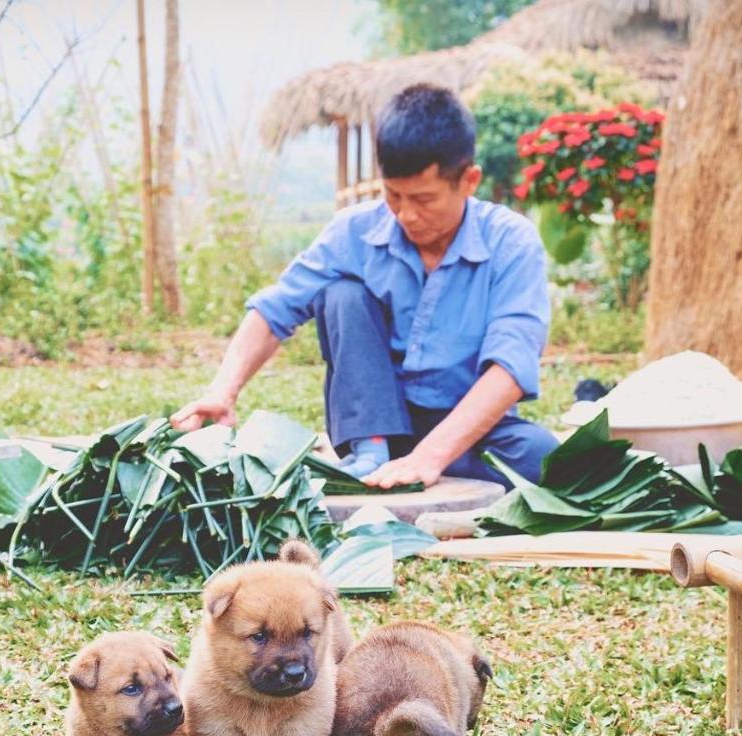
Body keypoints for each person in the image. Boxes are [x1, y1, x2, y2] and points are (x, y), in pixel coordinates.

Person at [171, 84, 558, 490]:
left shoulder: (511, 242)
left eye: (424, 199)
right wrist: (222, 390)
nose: (407, 214)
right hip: (378, 423)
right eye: (393, 195)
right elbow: (275, 311)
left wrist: (429, 457)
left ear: (469, 181)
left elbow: (511, 367)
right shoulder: (353, 230)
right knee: (341, 294)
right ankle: (371, 454)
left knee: (547, 461)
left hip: (467, 427)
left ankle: (427, 461)